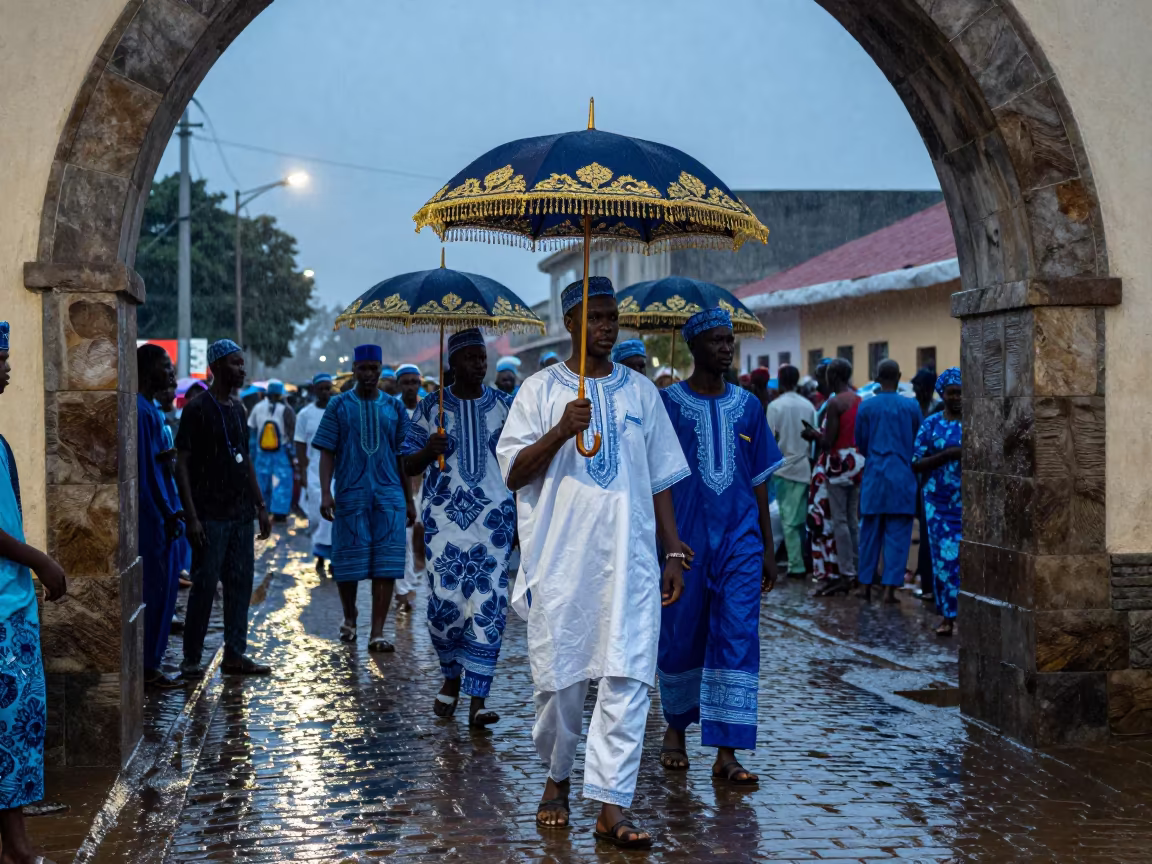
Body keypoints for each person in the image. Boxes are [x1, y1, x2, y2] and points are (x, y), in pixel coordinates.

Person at [496, 276, 690, 849]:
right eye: (597, 318)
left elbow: (660, 479)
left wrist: (673, 550)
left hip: (630, 561)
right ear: (572, 323)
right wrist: (562, 429)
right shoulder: (537, 390)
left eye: (613, 318)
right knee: (562, 682)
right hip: (562, 560)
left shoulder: (641, 393)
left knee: (629, 676)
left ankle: (612, 805)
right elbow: (513, 472)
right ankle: (556, 777)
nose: (607, 328)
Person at [656, 308, 781, 785]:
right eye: (717, 341)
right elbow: (657, 477)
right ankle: (675, 728)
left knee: (737, 637)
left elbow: (760, 479)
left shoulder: (749, 406)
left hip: (740, 541)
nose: (727, 349)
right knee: (681, 633)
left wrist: (768, 547)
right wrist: (666, 544)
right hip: (685, 541)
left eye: (730, 341)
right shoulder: (668, 405)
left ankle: (727, 749)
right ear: (694, 347)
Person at [402, 330, 515, 728]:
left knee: (490, 607)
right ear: (451, 363)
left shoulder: (505, 405)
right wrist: (427, 451)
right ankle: (451, 674)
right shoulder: (432, 407)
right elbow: (407, 464)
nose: (480, 364)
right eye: (470, 358)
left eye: (482, 357)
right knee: (444, 609)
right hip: (444, 523)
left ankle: (477, 701)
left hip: (494, 524)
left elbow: (520, 464)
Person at [0, 322, 68, 864]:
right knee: (9, 729)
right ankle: (19, 849)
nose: (6, 368)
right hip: (3, 608)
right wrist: (41, 562)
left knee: (16, 730)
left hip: (11, 602)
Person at [174, 340, 272, 678]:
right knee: (203, 587)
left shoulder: (239, 408)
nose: (242, 370)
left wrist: (260, 506)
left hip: (241, 515)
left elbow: (247, 463)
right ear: (216, 367)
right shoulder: (197, 409)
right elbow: (182, 465)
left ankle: (234, 654)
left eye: (243, 363)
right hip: (209, 515)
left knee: (240, 584)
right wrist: (191, 516)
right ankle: (191, 659)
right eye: (234, 363)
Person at [314, 345, 415, 651]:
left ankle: (378, 632)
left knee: (386, 563)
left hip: (389, 495)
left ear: (381, 369)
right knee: (347, 562)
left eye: (375, 368)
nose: (370, 374)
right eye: (364, 368)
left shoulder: (394, 408)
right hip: (350, 493)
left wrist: (409, 500)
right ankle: (350, 615)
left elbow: (403, 457)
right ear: (354, 370)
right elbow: (327, 452)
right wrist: (325, 493)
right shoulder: (338, 406)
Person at [854, 359, 923, 604]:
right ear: (899, 376)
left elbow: (860, 442)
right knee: (898, 536)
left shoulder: (866, 407)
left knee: (869, 534)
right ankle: (889, 590)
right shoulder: (911, 406)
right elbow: (918, 441)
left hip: (874, 475)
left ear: (876, 377)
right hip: (902, 477)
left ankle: (865, 586)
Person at [138, 346, 185, 688]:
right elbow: (146, 473)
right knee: (155, 591)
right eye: (165, 367)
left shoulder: (151, 411)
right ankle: (148, 665)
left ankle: (152, 660)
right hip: (155, 515)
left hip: (164, 509)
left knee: (166, 589)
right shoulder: (143, 413)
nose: (171, 374)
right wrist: (168, 512)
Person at [803, 357, 863, 595]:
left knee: (838, 520)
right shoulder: (859, 399)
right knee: (851, 519)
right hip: (856, 462)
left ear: (834, 377)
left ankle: (846, 572)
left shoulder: (835, 403)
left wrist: (812, 435)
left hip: (838, 463)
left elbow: (828, 442)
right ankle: (857, 569)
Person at [913, 368, 963, 636]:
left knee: (968, 561)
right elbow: (916, 463)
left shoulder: (978, 423)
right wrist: (949, 454)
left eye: (960, 393)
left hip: (968, 503)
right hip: (938, 502)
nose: (956, 398)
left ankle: (970, 614)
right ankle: (947, 616)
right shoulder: (931, 424)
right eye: (951, 393)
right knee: (944, 562)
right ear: (942, 394)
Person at [766, 364, 816, 580]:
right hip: (804, 467)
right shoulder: (809, 406)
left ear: (780, 381)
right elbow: (814, 437)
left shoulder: (775, 406)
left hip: (783, 467)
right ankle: (801, 559)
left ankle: (796, 566)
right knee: (800, 518)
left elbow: (768, 439)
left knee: (788, 519)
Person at [295, 373, 335, 577]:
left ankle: (334, 558)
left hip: (337, 472)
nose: (325, 393)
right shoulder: (304, 415)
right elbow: (300, 444)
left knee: (336, 516)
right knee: (317, 516)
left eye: (329, 389)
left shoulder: (338, 411)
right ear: (314, 390)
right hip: (313, 473)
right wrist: (302, 470)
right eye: (321, 389)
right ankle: (320, 554)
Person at [394, 363, 426, 613]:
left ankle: (414, 576)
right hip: (399, 480)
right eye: (406, 382)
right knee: (403, 535)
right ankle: (402, 591)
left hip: (427, 480)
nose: (410, 387)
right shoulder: (392, 409)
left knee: (422, 531)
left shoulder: (429, 408)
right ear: (398, 384)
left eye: (415, 382)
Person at [247, 379, 296, 522]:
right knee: (282, 482)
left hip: (261, 453)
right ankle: (279, 512)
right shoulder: (287, 410)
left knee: (261, 481)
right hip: (281, 454)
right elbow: (291, 434)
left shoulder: (258, 407)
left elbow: (252, 431)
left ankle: (262, 509)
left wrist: (252, 453)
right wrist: (293, 456)